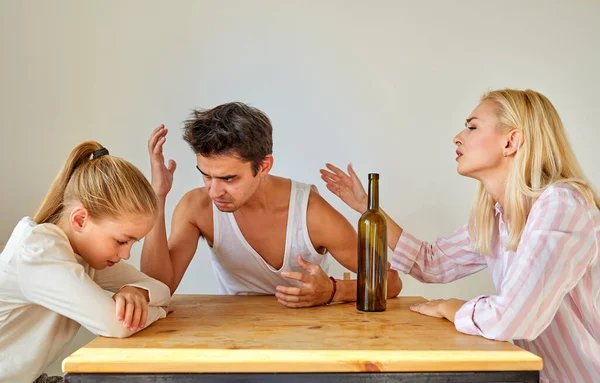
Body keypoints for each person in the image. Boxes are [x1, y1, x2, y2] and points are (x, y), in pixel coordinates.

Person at [321, 89, 600, 382]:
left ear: (511, 141)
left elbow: (513, 317)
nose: (457, 137)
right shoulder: (497, 215)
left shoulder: (562, 205)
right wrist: (367, 207)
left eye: (472, 127)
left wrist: (451, 307)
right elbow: (433, 263)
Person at [141, 102, 402, 307]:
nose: (214, 190)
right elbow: (158, 288)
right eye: (206, 175)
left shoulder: (310, 212)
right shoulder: (196, 208)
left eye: (229, 178)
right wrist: (157, 197)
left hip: (309, 336)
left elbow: (390, 282)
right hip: (235, 338)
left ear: (264, 166)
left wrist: (333, 291)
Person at [0, 142, 171, 383]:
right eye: (122, 241)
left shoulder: (84, 254)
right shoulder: (39, 252)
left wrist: (137, 292)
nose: (126, 254)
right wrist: (158, 312)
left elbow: (160, 287)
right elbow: (116, 325)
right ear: (80, 220)